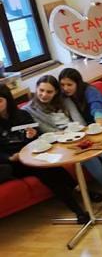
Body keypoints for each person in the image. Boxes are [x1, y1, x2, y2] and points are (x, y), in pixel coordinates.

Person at [24, 76, 102, 203]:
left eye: (49, 92)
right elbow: (47, 130)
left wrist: (80, 132)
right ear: (36, 89)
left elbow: (79, 119)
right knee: (90, 159)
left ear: (56, 92)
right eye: (41, 90)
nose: (44, 95)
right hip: (62, 142)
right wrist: (67, 135)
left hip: (81, 133)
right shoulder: (30, 109)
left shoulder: (65, 100)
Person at [0, 85, 90, 223]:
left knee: (53, 166)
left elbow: (36, 137)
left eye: (0, 101)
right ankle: (78, 210)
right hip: (13, 162)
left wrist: (32, 135)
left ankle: (81, 191)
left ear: (8, 100)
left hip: (31, 153)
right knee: (45, 172)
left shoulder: (21, 115)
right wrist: (10, 157)